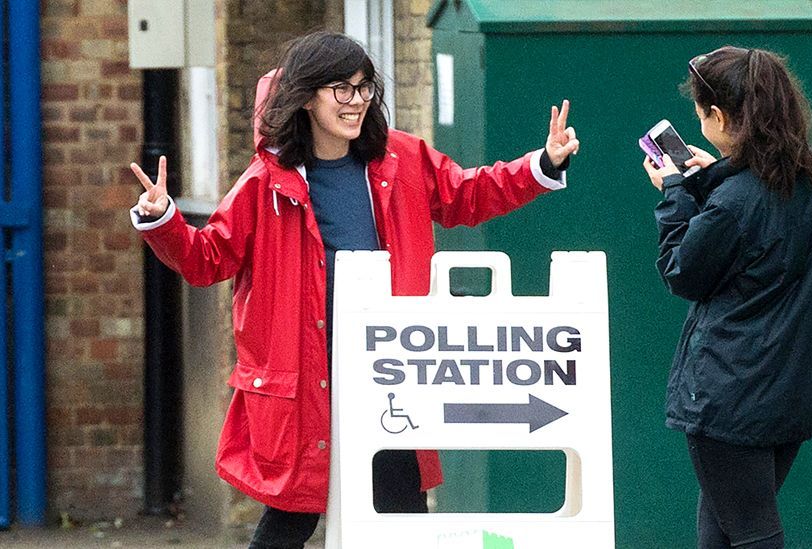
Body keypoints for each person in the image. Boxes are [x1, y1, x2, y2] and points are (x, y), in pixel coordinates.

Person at [129, 31, 578, 549]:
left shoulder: (402, 158)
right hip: (307, 374)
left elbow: (467, 194)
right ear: (305, 94)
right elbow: (209, 259)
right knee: (292, 517)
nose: (357, 101)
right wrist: (161, 218)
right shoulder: (264, 182)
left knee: (400, 517)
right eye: (341, 88)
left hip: (391, 367)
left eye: (365, 88)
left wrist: (541, 165)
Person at [642, 46, 812, 549]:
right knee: (721, 529)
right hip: (789, 390)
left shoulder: (733, 201)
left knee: (751, 533)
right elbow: (761, 229)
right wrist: (713, 176)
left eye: (702, 114)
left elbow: (682, 271)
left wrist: (675, 192)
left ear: (722, 117)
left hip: (730, 398)